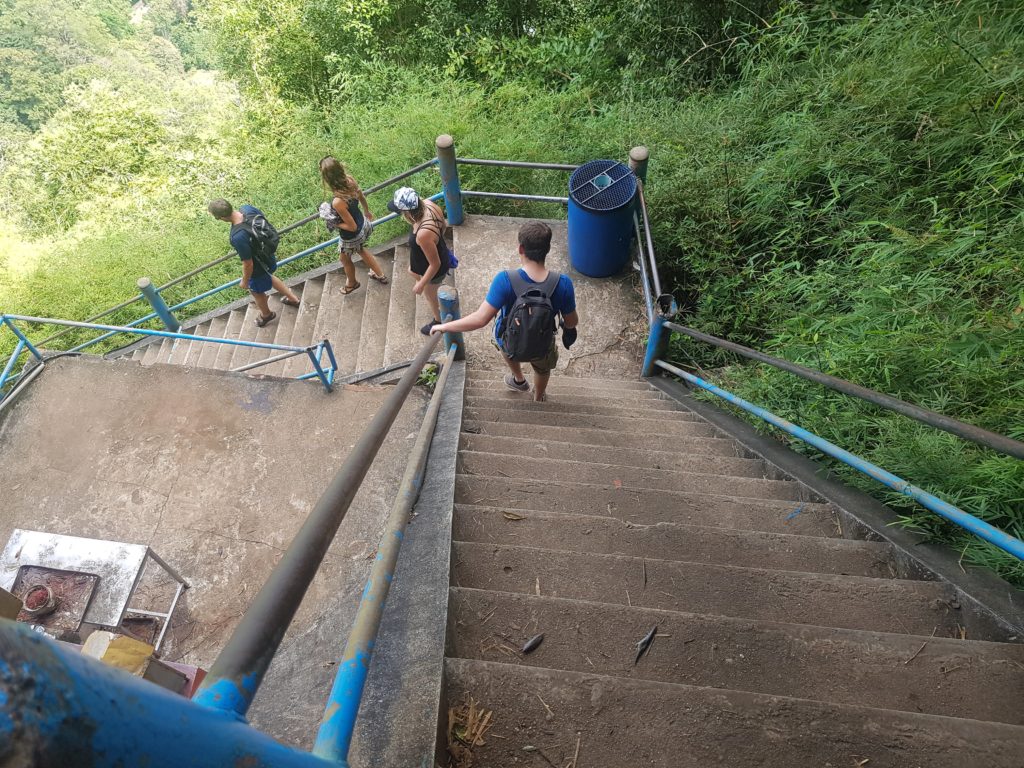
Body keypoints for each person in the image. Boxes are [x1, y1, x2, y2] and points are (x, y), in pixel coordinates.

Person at [432, 221, 578, 402]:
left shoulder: (505, 280)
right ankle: (539, 397)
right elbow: (571, 322)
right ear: (548, 249)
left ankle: (519, 379)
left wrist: (445, 326)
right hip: (542, 343)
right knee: (542, 368)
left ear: (520, 249)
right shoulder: (563, 283)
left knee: (501, 339)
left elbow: (480, 319)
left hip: (511, 340)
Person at [207, 199, 300, 327]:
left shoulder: (237, 236)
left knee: (256, 292)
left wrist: (245, 281)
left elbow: (248, 263)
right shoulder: (247, 209)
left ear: (221, 217)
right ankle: (293, 299)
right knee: (269, 276)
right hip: (268, 254)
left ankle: (266, 315)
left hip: (258, 266)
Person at [387, 187, 452, 335]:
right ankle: (429, 286)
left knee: (430, 296)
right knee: (411, 270)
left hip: (434, 267)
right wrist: (435, 242)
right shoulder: (429, 204)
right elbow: (444, 226)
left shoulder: (423, 233)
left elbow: (435, 264)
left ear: (408, 213)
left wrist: (422, 284)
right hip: (435, 253)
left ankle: (438, 321)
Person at [319, 157, 389, 293]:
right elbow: (361, 197)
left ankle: (352, 283)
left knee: (344, 259)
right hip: (363, 223)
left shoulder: (338, 201)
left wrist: (334, 223)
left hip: (352, 236)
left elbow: (352, 227)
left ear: (327, 179)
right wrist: (367, 211)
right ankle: (380, 274)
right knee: (361, 250)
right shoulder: (350, 180)